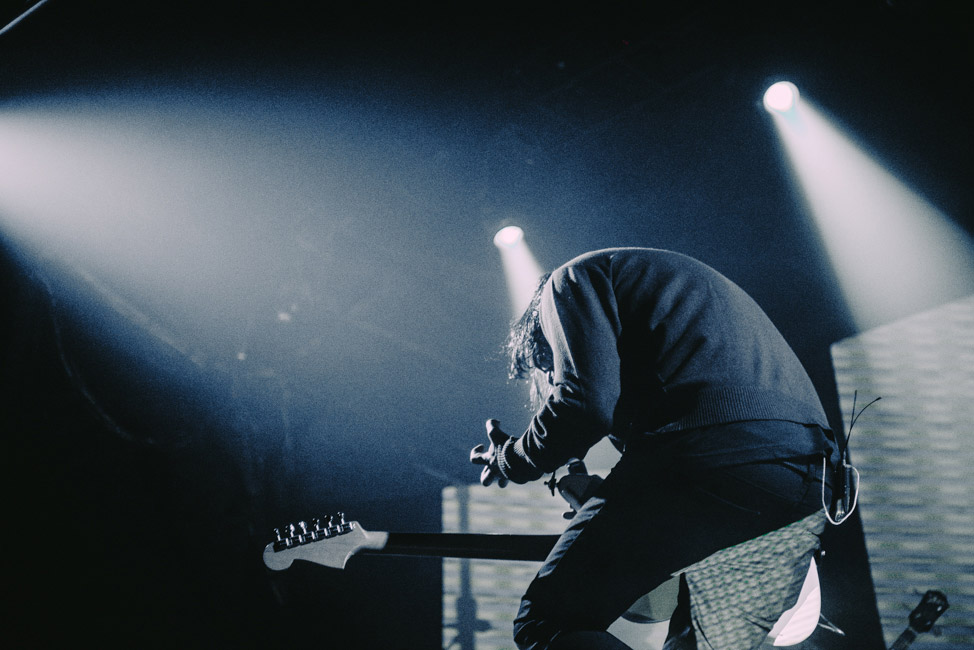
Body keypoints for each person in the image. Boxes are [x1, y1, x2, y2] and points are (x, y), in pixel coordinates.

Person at [470, 247, 838, 650]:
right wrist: (596, 500)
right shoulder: (669, 300)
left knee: (547, 621)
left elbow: (583, 405)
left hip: (714, 456)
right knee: (688, 641)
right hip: (813, 476)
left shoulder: (567, 282)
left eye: (549, 369)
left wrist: (513, 460)